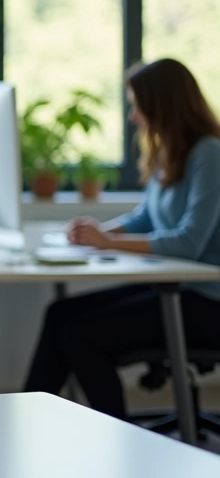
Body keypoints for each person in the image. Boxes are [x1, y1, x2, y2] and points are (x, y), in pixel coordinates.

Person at [23, 58, 220, 419]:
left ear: (162, 104)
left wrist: (106, 242)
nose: (133, 117)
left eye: (136, 106)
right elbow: (145, 217)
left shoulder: (209, 153)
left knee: (80, 335)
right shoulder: (169, 151)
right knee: (59, 314)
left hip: (208, 302)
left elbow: (189, 242)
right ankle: (22, 423)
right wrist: (95, 233)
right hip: (176, 289)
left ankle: (119, 443)